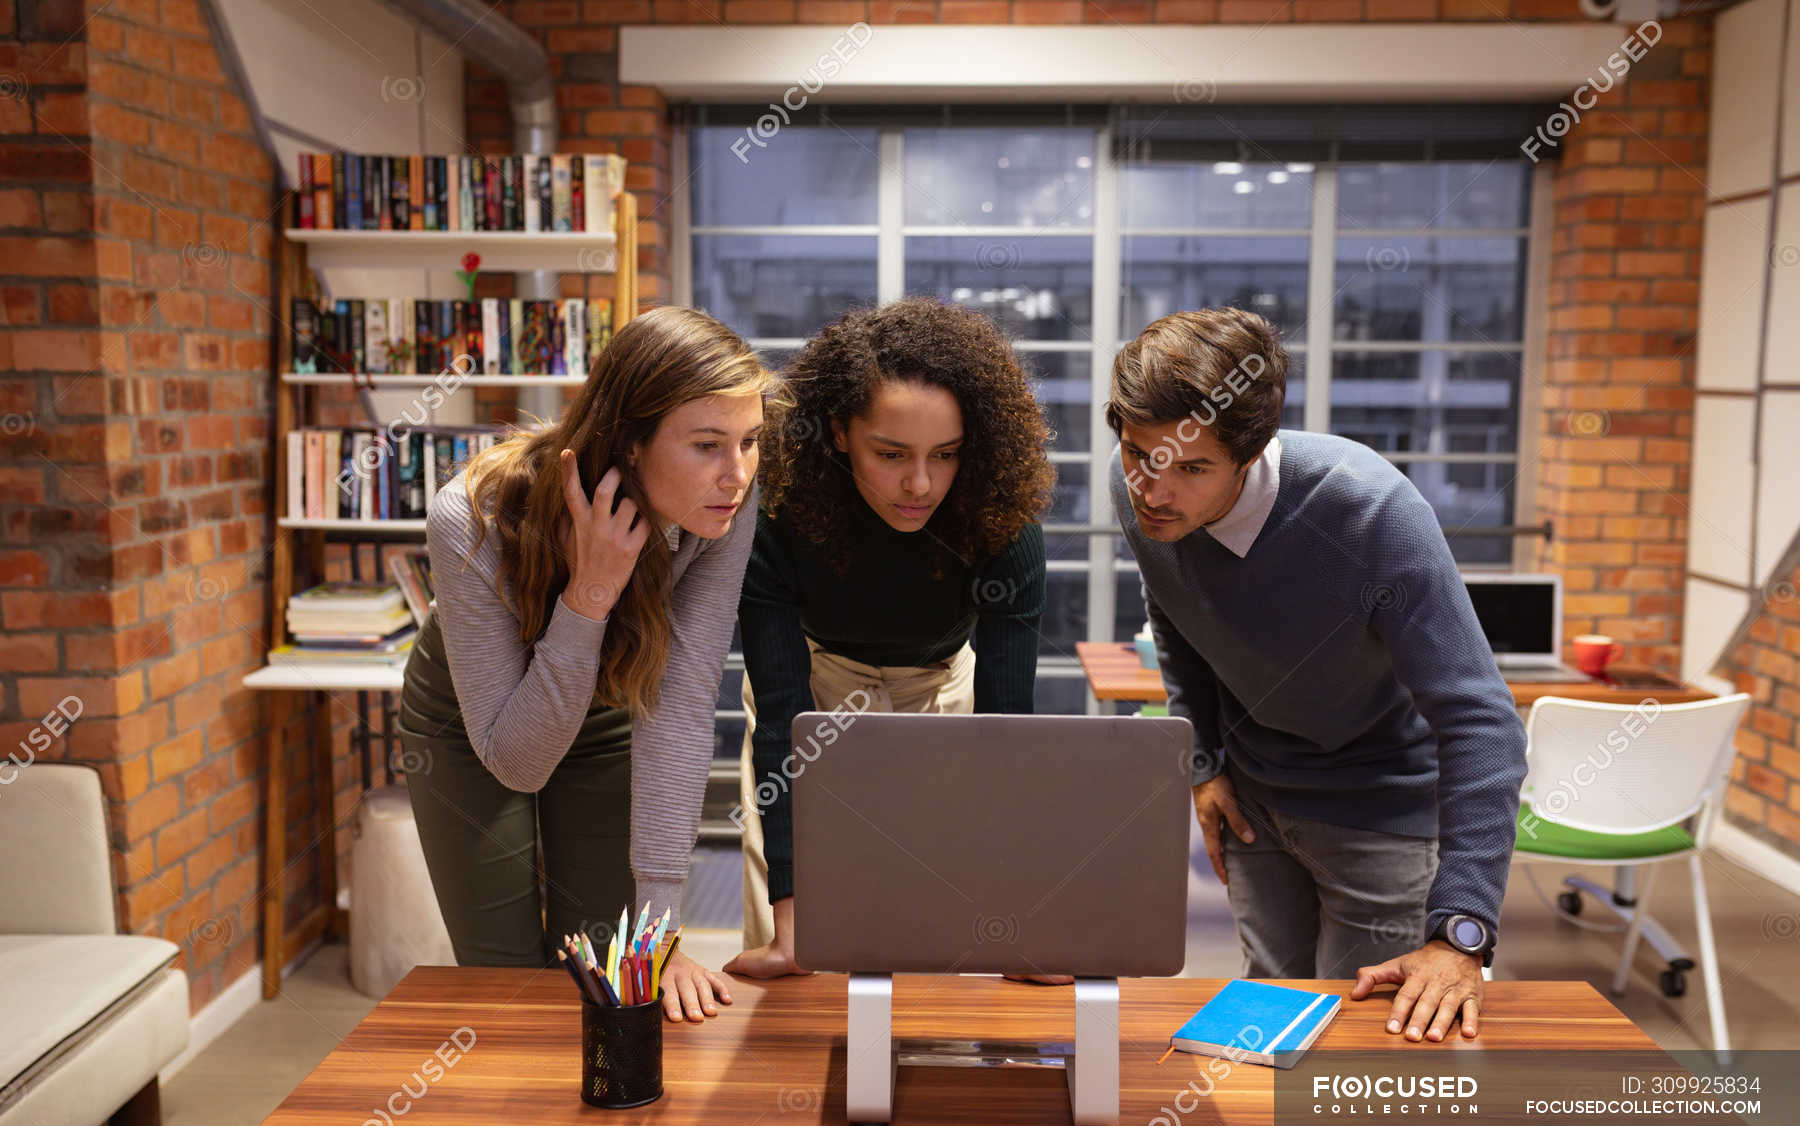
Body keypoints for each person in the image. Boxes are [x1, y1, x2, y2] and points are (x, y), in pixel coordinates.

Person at [1107, 307, 1528, 1043]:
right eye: (1140, 453)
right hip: (1256, 803)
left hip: (1379, 811)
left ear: (1252, 451)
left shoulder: (1372, 515)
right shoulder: (1139, 490)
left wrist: (1462, 931)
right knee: (1269, 1023)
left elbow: (1483, 723)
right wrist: (1205, 763)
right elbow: (1176, 616)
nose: (1153, 490)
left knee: (1364, 1040)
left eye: (1192, 468)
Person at [398, 305, 778, 1023]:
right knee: (508, 988)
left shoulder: (728, 503)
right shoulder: (471, 517)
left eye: (750, 441)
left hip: (613, 698)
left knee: (608, 967)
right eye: (706, 445)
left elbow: (683, 707)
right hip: (472, 722)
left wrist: (661, 939)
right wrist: (592, 592)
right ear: (630, 443)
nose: (737, 473)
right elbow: (517, 762)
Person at [724, 298, 1056, 982]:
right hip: (816, 684)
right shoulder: (778, 513)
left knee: (938, 928)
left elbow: (1005, 729)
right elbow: (785, 716)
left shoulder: (1002, 522)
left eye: (947, 455)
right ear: (841, 431)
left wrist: (1016, 916)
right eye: (891, 453)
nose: (920, 483)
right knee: (801, 957)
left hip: (940, 687)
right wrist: (791, 924)